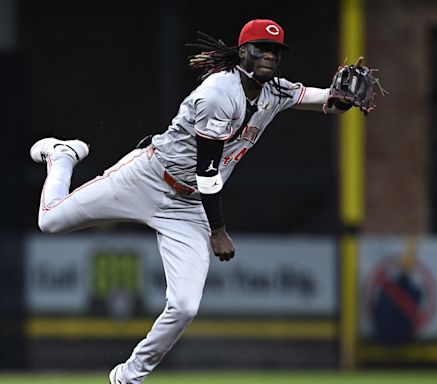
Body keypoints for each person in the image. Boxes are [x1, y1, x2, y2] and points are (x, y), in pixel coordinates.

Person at [30, 19, 352, 384]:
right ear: (241, 51)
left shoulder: (274, 91)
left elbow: (323, 99)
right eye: (261, 47)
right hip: (149, 178)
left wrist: (339, 100)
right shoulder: (219, 93)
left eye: (275, 50)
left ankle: (129, 376)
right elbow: (208, 170)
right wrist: (218, 232)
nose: (269, 55)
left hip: (189, 207)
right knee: (50, 221)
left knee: (184, 306)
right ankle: (63, 156)